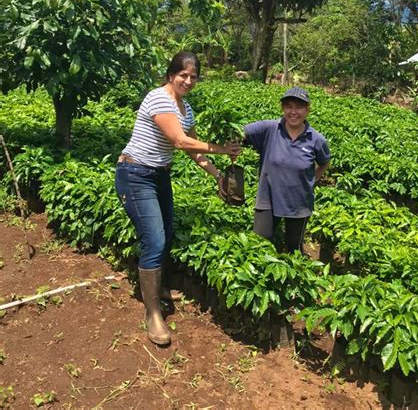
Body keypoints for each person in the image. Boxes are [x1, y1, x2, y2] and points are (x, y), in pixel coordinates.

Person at [115, 51, 240, 346]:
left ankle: (158, 287)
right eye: (183, 74)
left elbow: (192, 151)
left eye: (193, 76)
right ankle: (153, 314)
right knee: (155, 239)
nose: (188, 80)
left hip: (159, 175)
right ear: (171, 74)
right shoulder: (158, 97)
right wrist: (222, 148)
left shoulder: (187, 109)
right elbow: (179, 140)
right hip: (134, 173)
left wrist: (218, 174)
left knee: (166, 233)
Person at [243, 86, 330, 254]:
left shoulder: (316, 139)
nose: (293, 112)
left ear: (307, 110)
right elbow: (240, 132)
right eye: (289, 106)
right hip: (268, 198)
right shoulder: (269, 128)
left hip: (298, 203)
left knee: (293, 249)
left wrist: (312, 179)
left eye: (299, 107)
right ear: (282, 108)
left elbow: (325, 162)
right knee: (258, 245)